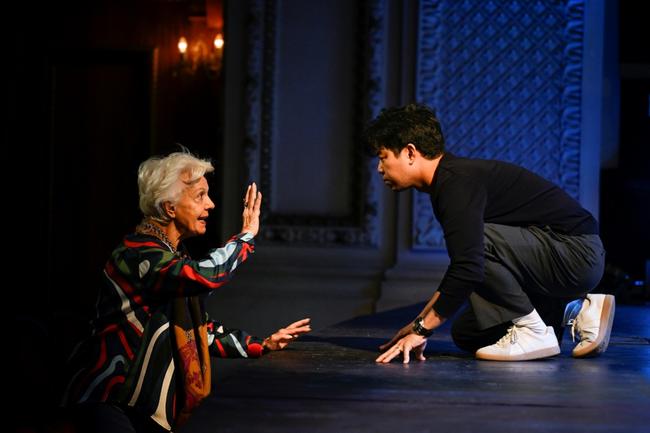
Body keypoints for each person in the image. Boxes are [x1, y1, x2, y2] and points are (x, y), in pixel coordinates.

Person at [61, 149, 311, 432]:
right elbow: (205, 275)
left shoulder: (173, 256)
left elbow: (196, 331)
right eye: (200, 196)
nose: (212, 205)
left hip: (140, 410)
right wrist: (245, 238)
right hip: (108, 399)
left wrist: (262, 344)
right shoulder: (137, 254)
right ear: (170, 207)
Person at [364, 104, 614, 364]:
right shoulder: (449, 183)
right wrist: (417, 325)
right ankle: (575, 311)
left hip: (576, 254)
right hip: (556, 260)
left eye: (383, 157)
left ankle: (533, 330)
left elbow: (468, 266)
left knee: (476, 245)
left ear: (410, 152)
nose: (380, 169)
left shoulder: (457, 183)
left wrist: (423, 328)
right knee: (470, 333)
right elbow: (462, 269)